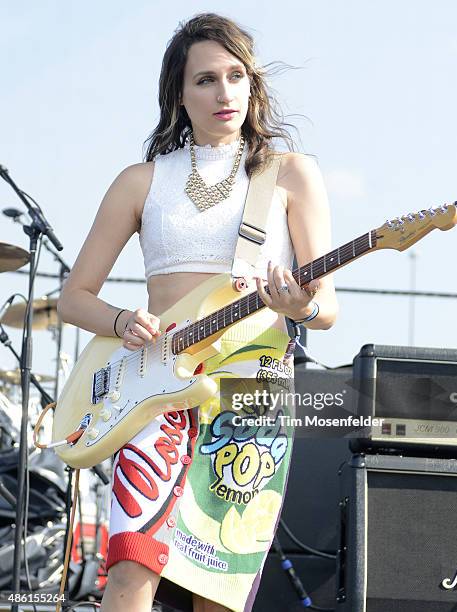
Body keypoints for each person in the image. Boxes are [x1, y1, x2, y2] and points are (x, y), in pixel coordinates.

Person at [57, 12, 338, 612]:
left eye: (237, 76)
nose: (225, 92)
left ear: (253, 86)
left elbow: (327, 310)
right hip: (155, 382)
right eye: (206, 79)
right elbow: (75, 296)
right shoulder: (141, 181)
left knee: (215, 586)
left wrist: (302, 304)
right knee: (134, 559)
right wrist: (120, 322)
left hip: (251, 388)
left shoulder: (289, 174)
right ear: (179, 95)